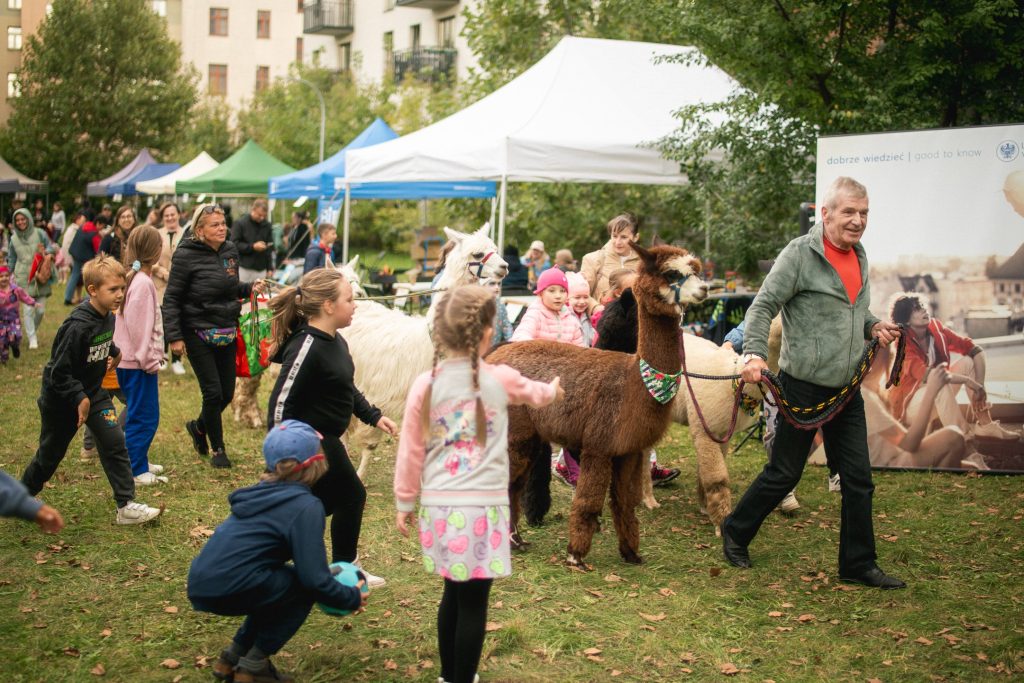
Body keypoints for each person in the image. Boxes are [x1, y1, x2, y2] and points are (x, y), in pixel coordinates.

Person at [724, 176, 905, 589]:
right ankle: (735, 529)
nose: (858, 221)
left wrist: (874, 326)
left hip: (846, 389)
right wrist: (752, 352)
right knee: (784, 474)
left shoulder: (858, 254)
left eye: (864, 213)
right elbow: (763, 305)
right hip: (801, 387)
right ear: (825, 213)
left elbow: (853, 313)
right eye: (849, 212)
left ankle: (858, 564)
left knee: (858, 477)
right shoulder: (800, 255)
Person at [394, 284, 562, 683]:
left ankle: (447, 675)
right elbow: (537, 395)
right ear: (488, 333)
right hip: (482, 511)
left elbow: (409, 448)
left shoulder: (425, 384)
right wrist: (554, 389)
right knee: (473, 603)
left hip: (439, 508)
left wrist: (404, 501)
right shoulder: (500, 378)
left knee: (452, 594)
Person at [188, 420, 368, 683]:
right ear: (318, 462)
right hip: (230, 584)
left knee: (277, 586)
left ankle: (231, 659)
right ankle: (253, 667)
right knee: (300, 587)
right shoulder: (306, 507)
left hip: (202, 580)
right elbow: (315, 579)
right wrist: (350, 597)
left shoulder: (261, 493)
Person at [267, 268, 398, 586]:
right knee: (350, 495)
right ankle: (343, 570)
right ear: (328, 305)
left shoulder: (335, 340)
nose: (355, 305)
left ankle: (270, 553)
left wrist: (373, 416)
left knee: (317, 504)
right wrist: (284, 450)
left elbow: (346, 386)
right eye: (350, 299)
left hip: (328, 439)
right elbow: (280, 403)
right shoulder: (306, 347)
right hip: (309, 443)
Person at [19, 255, 163, 525]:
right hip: (62, 399)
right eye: (113, 290)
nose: (120, 295)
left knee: (114, 442)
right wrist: (78, 398)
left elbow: (104, 343)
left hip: (93, 394)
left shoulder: (107, 316)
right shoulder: (77, 326)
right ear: (93, 291)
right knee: (49, 455)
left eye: (122, 289)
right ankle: (20, 497)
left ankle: (126, 506)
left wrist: (115, 355)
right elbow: (58, 371)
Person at [163, 204, 266, 469]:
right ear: (200, 230)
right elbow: (172, 297)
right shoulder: (185, 255)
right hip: (196, 329)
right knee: (212, 393)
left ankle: (199, 427)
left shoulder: (230, 251)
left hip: (226, 327)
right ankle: (218, 449)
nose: (222, 228)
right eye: (215, 225)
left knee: (227, 393)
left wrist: (249, 288)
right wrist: (174, 337)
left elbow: (230, 288)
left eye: (223, 223)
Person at [887, 292, 1020, 440]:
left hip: (936, 395)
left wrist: (979, 386)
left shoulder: (936, 328)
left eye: (923, 305)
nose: (924, 309)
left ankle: (985, 425)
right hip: (910, 407)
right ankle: (964, 439)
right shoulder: (902, 343)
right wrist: (968, 381)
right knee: (939, 383)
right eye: (917, 309)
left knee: (968, 362)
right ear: (906, 320)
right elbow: (930, 375)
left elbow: (975, 350)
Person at [114, 226, 168, 486]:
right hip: (138, 365)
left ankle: (140, 460)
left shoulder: (137, 279)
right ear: (155, 252)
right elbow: (139, 329)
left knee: (141, 413)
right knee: (144, 416)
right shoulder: (143, 283)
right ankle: (135, 470)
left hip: (135, 362)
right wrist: (149, 360)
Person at [6, 207, 55, 349]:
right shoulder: (13, 239)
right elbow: (11, 258)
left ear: (28, 219)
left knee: (40, 310)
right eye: (17, 220)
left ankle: (31, 330)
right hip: (23, 278)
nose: (20, 222)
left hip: (40, 277)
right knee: (28, 310)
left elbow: (51, 248)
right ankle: (32, 338)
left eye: (23, 219)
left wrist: (46, 252)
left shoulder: (40, 233)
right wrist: (7, 275)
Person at [510, 268, 585, 346]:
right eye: (552, 291)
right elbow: (520, 337)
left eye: (562, 291)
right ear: (541, 294)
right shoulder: (535, 315)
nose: (558, 296)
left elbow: (580, 351)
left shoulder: (572, 321)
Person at [580, 213, 641, 305]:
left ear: (636, 237)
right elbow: (581, 294)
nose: (618, 242)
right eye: (615, 236)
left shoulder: (644, 263)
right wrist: (595, 308)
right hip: (601, 317)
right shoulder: (592, 259)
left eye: (624, 237)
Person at [153, 202, 185, 374]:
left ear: (178, 215)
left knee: (178, 321)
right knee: (163, 322)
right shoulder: (157, 234)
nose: (170, 217)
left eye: (173, 214)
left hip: (181, 286)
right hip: (160, 285)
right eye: (166, 215)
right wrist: (165, 274)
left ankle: (178, 359)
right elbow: (151, 261)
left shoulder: (186, 234)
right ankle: (162, 355)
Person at [0, 264, 37, 363]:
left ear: (10, 277)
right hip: (1, 320)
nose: (4, 278)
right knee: (2, 341)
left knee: (15, 335)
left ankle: (15, 346)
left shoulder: (15, 289)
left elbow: (24, 297)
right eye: (1, 276)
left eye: (6, 276)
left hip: (13, 318)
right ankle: (4, 357)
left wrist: (33, 303)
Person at [232, 199, 274, 282]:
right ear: (253, 209)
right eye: (259, 215)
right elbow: (234, 244)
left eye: (264, 216)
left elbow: (269, 248)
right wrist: (252, 247)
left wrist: (270, 268)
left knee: (260, 295)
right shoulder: (240, 223)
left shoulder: (267, 225)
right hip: (244, 269)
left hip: (261, 270)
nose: (261, 218)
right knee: (242, 294)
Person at [66, 210, 100, 306]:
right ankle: (87, 298)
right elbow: (98, 248)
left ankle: (68, 298)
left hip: (75, 253)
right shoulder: (94, 233)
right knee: (89, 277)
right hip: (84, 257)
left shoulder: (84, 226)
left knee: (74, 275)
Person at [480, 276, 513, 346]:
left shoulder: (500, 304)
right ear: (482, 286)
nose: (497, 287)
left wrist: (512, 345)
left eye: (499, 284)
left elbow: (506, 327)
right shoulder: (476, 305)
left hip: (494, 351)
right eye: (492, 284)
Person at [565, 271, 595, 347]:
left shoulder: (588, 315)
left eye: (586, 297)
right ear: (567, 298)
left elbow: (592, 337)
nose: (582, 302)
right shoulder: (564, 315)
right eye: (577, 297)